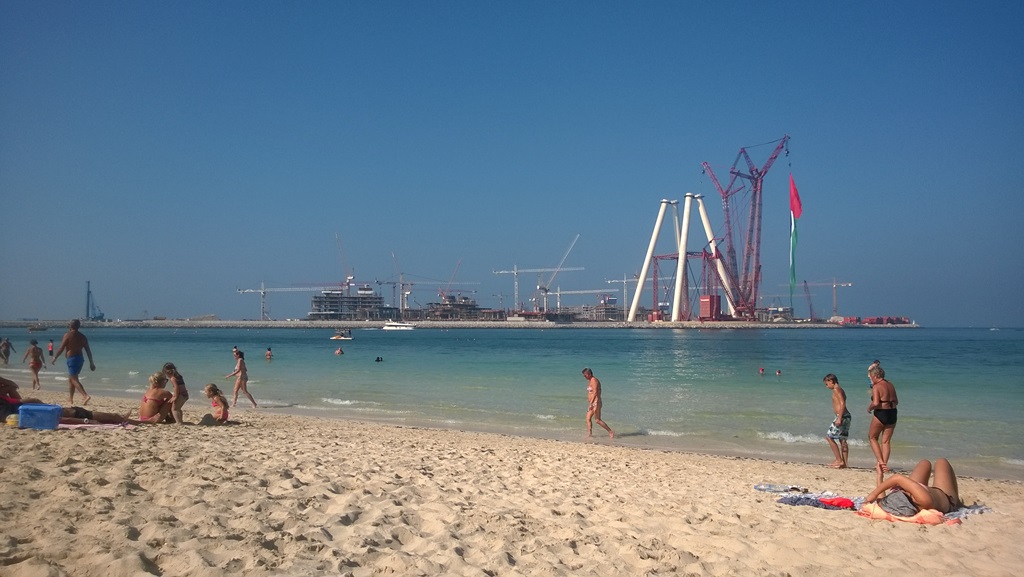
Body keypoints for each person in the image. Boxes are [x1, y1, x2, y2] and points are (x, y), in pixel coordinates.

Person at [865, 459, 963, 515]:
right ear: (907, 495)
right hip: (945, 497)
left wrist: (879, 476)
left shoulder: (896, 505)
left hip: (922, 492)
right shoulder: (924, 500)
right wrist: (873, 494)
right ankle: (958, 502)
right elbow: (897, 478)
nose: (902, 490)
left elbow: (881, 500)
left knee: (924, 463)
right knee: (941, 462)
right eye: (902, 491)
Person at [50, 319, 95, 405]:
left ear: (70, 326)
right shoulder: (83, 336)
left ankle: (85, 396)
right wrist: (91, 362)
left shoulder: (68, 335)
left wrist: (55, 357)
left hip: (72, 359)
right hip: (80, 359)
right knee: (71, 379)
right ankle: (70, 399)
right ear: (79, 326)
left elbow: (61, 347)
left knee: (74, 379)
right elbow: (88, 350)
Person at [867, 364, 899, 472]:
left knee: (872, 437)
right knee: (886, 441)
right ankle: (884, 464)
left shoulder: (877, 386)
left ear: (875, 376)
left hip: (881, 413)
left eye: (871, 377)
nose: (871, 379)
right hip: (893, 413)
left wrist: (869, 408)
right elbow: (896, 401)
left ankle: (880, 462)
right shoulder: (890, 384)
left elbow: (876, 403)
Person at [823, 374, 851, 469]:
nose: (826, 387)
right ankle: (845, 463)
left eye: (827, 384)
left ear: (831, 381)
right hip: (845, 416)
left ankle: (839, 460)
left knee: (829, 437)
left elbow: (843, 403)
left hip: (842, 416)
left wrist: (839, 418)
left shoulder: (837, 390)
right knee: (842, 439)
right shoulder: (840, 389)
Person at [582, 367, 614, 439]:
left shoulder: (594, 381)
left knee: (597, 420)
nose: (584, 377)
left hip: (596, 402)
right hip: (592, 403)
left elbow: (595, 393)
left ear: (589, 374)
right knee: (588, 418)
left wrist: (591, 403)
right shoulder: (590, 380)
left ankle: (610, 431)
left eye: (585, 375)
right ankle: (590, 434)